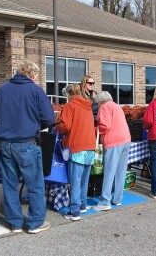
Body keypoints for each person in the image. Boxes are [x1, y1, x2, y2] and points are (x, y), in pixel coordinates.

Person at [0, 60, 55, 234]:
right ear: (33, 75)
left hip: (5, 144)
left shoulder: (2, 89)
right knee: (35, 185)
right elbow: (49, 118)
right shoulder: (35, 90)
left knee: (9, 185)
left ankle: (15, 223)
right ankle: (35, 223)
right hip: (27, 143)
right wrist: (34, 122)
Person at [58, 83, 96, 220]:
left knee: (75, 181)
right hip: (90, 146)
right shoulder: (88, 107)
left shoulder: (70, 106)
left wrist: (58, 128)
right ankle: (82, 205)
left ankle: (74, 211)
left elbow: (66, 126)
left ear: (68, 94)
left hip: (77, 146)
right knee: (84, 180)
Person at [91, 91, 131, 210]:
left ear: (100, 102)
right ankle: (117, 199)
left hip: (114, 141)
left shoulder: (104, 107)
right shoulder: (116, 106)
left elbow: (105, 126)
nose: (97, 106)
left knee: (109, 172)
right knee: (121, 172)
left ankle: (105, 201)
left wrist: (95, 129)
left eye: (97, 104)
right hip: (126, 139)